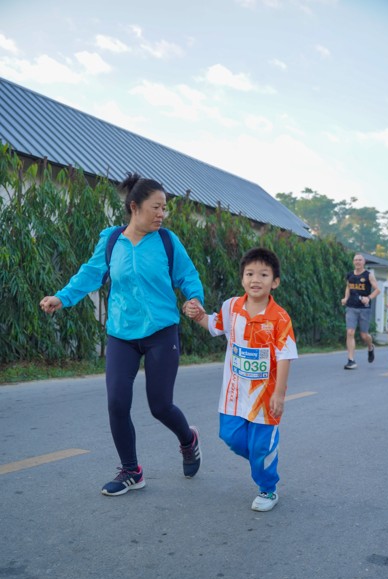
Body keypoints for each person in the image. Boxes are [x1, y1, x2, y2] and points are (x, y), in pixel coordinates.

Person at [40, 173, 204, 496]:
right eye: (156, 207)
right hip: (121, 334)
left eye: (164, 208)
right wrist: (62, 297)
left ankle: (189, 439)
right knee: (116, 402)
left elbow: (187, 276)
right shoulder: (112, 240)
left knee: (160, 406)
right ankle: (131, 470)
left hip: (161, 331)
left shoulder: (167, 242)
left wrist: (194, 299)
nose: (162, 214)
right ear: (134, 207)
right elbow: (90, 274)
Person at [184, 247, 298, 512]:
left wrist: (279, 393)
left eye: (263, 275)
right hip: (234, 394)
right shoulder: (232, 307)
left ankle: (268, 489)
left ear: (275, 282)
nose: (255, 279)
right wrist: (198, 314)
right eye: (250, 274)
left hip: (264, 398)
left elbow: (285, 355)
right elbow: (215, 325)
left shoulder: (280, 318)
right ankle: (263, 458)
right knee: (230, 436)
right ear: (242, 278)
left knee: (260, 447)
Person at [341, 253, 380, 370]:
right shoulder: (350, 275)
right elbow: (348, 287)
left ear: (364, 262)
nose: (357, 262)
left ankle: (370, 346)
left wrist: (368, 298)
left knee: (364, 335)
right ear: (353, 262)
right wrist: (345, 298)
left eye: (360, 260)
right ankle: (351, 360)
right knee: (350, 332)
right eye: (355, 260)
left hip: (364, 309)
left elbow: (377, 290)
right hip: (351, 307)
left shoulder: (368, 275)